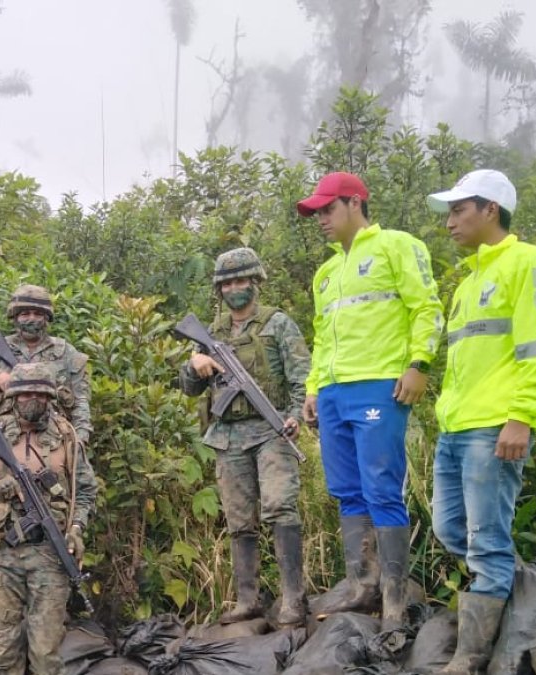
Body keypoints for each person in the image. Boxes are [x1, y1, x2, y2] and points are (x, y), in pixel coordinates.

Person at [426, 169, 536, 672]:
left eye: (459, 210)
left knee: (485, 540)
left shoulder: (529, 263)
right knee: (450, 528)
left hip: (494, 426)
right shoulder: (469, 281)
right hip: (456, 427)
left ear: (491, 209)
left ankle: (471, 657)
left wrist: (521, 417)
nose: (449, 223)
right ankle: (507, 592)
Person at [296, 171, 444, 629]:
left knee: (382, 487)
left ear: (354, 203)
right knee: (346, 490)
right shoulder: (326, 273)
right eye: (316, 212)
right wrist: (314, 388)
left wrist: (419, 363)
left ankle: (395, 600)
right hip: (336, 393)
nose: (320, 218)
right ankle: (362, 585)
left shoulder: (397, 246)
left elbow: (427, 307)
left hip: (380, 385)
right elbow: (323, 338)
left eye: (327, 209)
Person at [179, 247, 312, 627]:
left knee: (280, 508)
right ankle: (247, 598)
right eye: (228, 283)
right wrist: (195, 364)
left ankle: (292, 598)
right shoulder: (211, 332)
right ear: (219, 289)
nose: (235, 288)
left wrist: (294, 414)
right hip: (227, 436)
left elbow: (302, 374)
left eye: (242, 280)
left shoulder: (278, 323)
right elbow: (188, 388)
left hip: (271, 431)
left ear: (256, 282)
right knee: (239, 520)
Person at [0, 362, 98, 675]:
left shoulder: (66, 438)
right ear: (12, 397)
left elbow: (86, 492)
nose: (32, 399)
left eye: (39, 393)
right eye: (25, 393)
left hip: (50, 554)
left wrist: (76, 528)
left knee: (46, 652)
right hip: (3, 553)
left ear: (50, 397)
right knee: (4, 651)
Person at [0, 284, 93, 445]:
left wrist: (80, 440)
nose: (31, 318)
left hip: (55, 440)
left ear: (46, 317)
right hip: (6, 441)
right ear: (14, 317)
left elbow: (81, 401)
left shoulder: (66, 353)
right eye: (25, 314)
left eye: (38, 314)